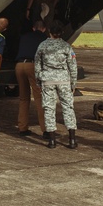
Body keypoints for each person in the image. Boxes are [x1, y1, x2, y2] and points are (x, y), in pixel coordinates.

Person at [34, 20, 78, 149]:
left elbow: (37, 65)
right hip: (63, 80)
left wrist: (38, 81)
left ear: (49, 31)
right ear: (61, 32)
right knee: (68, 108)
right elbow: (72, 66)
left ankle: (52, 140)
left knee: (49, 109)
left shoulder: (42, 46)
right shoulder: (66, 47)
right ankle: (72, 140)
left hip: (48, 80)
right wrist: (73, 83)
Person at [14, 19, 47, 136]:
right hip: (33, 65)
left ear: (33, 28)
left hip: (19, 65)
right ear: (44, 29)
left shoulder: (24, 36)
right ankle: (46, 129)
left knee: (23, 98)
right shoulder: (44, 39)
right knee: (39, 98)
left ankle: (22, 127)